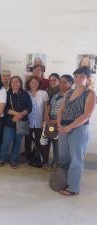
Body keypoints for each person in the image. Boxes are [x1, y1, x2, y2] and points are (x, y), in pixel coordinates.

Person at [57, 67, 95, 196]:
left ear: (88, 79)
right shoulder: (69, 93)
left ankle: (73, 187)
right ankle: (63, 181)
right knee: (63, 158)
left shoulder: (90, 93)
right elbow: (61, 110)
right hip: (63, 128)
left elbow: (86, 115)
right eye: (76, 76)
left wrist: (69, 127)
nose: (78, 79)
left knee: (76, 159)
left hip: (78, 129)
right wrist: (59, 124)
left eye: (81, 77)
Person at [0, 76, 32, 169]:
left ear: (20, 83)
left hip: (22, 122)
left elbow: (29, 107)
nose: (15, 83)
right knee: (6, 141)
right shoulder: (6, 93)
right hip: (9, 122)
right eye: (13, 82)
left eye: (17, 82)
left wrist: (21, 115)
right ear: (10, 83)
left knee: (18, 142)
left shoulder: (25, 93)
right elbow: (4, 108)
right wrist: (17, 114)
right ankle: (2, 158)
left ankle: (14, 160)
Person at [46, 74, 74, 167]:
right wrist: (47, 116)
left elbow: (68, 112)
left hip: (62, 122)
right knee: (53, 141)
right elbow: (50, 105)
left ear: (71, 83)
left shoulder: (72, 95)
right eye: (61, 82)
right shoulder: (57, 94)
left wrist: (56, 121)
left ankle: (59, 164)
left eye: (64, 82)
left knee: (60, 144)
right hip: (51, 121)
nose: (61, 84)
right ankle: (55, 162)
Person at [24, 76, 49, 168]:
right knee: (28, 142)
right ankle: (28, 159)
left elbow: (46, 108)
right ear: (29, 83)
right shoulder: (25, 93)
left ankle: (44, 161)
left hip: (40, 122)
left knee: (42, 142)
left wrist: (44, 120)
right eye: (32, 82)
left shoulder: (43, 93)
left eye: (36, 82)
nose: (34, 84)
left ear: (39, 84)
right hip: (28, 122)